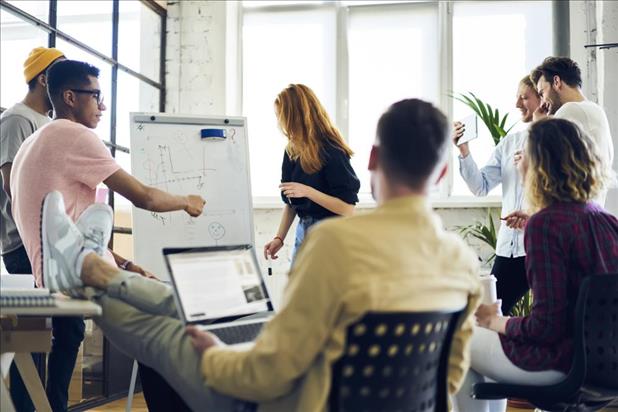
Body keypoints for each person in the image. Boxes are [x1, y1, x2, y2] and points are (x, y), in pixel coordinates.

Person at [37, 98, 482, 411]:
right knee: (202, 314)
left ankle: (82, 270)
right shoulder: (460, 263)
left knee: (169, 337)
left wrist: (215, 358)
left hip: (275, 404)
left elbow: (274, 370)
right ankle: (91, 267)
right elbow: (449, 379)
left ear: (371, 157)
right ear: (443, 170)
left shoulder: (336, 246)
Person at [9, 59, 202, 411]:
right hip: (73, 276)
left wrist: (126, 263)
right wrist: (187, 201)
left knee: (159, 332)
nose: (103, 105)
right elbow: (144, 197)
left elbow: (72, 217)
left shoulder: (34, 141)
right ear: (69, 97)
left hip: (56, 268)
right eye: (96, 95)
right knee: (180, 316)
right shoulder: (74, 134)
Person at [452, 118, 618, 412]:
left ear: (540, 164)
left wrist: (496, 321)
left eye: (524, 154)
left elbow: (546, 328)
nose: (518, 162)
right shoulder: (608, 221)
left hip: (560, 364)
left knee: (460, 338)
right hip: (606, 365)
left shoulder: (545, 224)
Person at [0, 46, 68, 412]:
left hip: (51, 244)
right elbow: (14, 187)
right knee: (35, 338)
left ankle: (53, 406)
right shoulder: (16, 120)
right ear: (45, 79)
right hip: (24, 244)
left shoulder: (49, 123)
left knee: (66, 331)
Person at [453, 75, 540, 314]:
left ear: (542, 99)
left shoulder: (558, 140)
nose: (517, 104)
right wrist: (463, 150)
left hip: (540, 247)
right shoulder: (509, 143)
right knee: (487, 313)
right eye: (517, 97)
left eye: (524, 97)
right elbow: (480, 187)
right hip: (509, 248)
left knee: (549, 319)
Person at [263, 84, 360, 263]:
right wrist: (279, 238)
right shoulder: (291, 151)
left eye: (281, 117)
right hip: (304, 231)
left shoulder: (332, 151)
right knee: (299, 289)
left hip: (331, 235)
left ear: (295, 117)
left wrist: (308, 191)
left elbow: (347, 209)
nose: (279, 123)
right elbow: (292, 203)